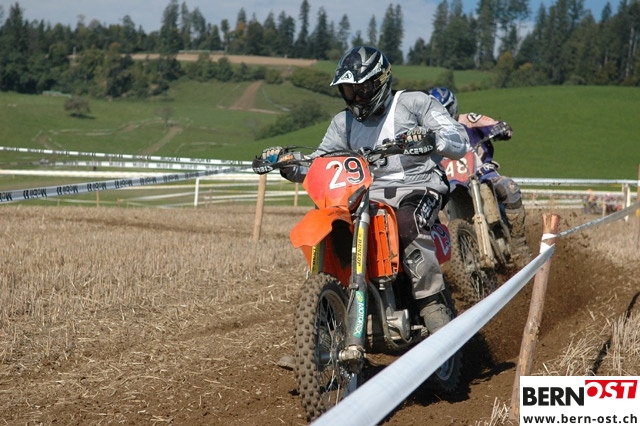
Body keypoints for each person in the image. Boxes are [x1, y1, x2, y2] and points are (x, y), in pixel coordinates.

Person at [258, 47, 470, 346]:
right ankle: (320, 331)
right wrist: (287, 164)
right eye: (349, 91)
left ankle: (432, 303)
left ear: (381, 81)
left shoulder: (414, 103)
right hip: (364, 195)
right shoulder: (342, 123)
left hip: (419, 185)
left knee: (407, 223)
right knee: (333, 234)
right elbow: (321, 162)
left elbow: (458, 138)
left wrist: (432, 138)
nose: (356, 98)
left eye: (362, 89)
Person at [427, 87, 531, 267]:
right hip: (450, 181)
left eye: (444, 110)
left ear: (452, 108)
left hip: (482, 172)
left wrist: (501, 128)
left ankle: (519, 244)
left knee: (509, 187)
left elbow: (494, 124)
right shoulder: (429, 133)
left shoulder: (468, 120)